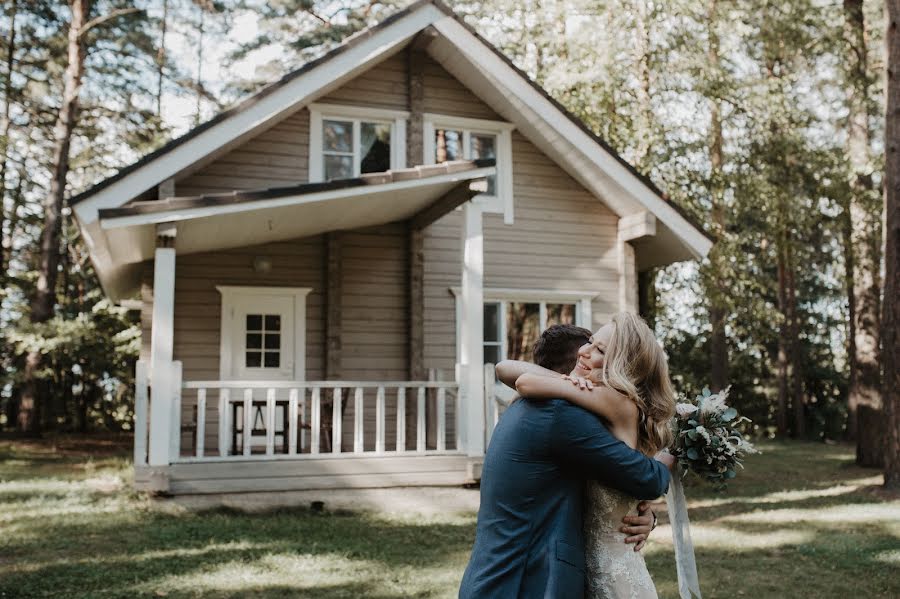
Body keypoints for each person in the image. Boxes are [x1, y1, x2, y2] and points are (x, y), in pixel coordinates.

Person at [458, 321, 674, 599]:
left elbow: (587, 486)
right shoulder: (562, 415)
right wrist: (673, 459)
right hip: (523, 584)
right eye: (588, 345)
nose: (586, 353)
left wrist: (644, 517)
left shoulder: (534, 406)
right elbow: (648, 478)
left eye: (598, 348)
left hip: (496, 579)